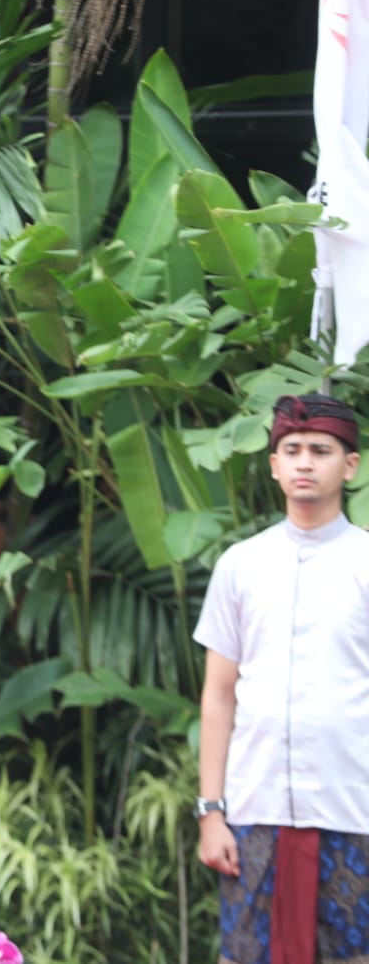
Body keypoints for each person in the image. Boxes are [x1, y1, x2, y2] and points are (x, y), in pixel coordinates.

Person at [194, 392, 369, 964]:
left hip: (354, 809)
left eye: (320, 450)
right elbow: (219, 694)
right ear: (272, 465)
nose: (303, 462)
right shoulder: (240, 566)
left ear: (350, 464)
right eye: (290, 449)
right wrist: (210, 811)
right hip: (252, 812)